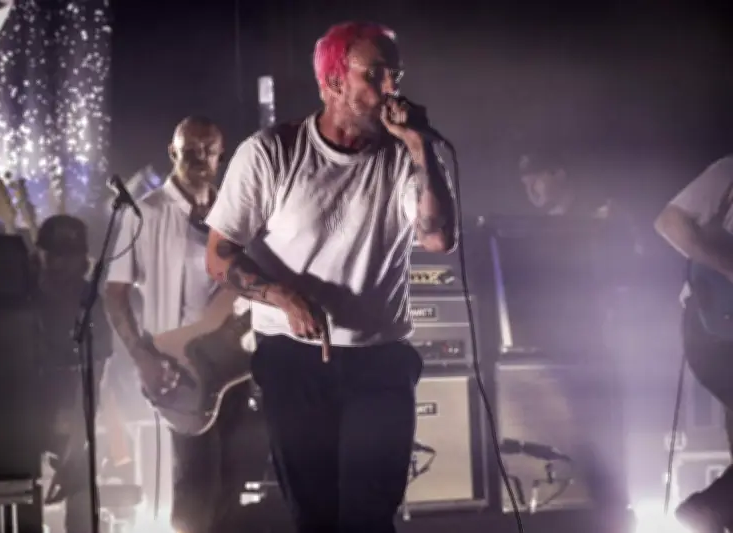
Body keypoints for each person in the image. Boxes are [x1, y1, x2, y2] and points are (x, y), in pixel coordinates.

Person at [204, 21, 457, 533]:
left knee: (371, 516)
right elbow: (219, 255)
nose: (392, 87)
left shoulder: (404, 157)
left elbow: (437, 239)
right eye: (376, 74)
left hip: (380, 360)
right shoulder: (272, 152)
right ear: (333, 82)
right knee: (316, 516)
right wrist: (279, 295)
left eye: (396, 74)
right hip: (295, 362)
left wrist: (420, 147)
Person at [104, 116, 260, 533]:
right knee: (195, 481)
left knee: (232, 481)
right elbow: (114, 293)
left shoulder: (234, 212)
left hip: (233, 364)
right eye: (189, 148)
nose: (199, 156)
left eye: (208, 149)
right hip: (180, 367)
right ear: (172, 152)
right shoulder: (145, 212)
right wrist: (143, 358)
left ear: (221, 156)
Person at [655, 155, 733, 533]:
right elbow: (670, 223)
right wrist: (728, 267)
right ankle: (709, 510)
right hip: (715, 331)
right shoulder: (727, 172)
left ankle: (713, 512)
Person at [34, 214, 114, 533]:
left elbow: (95, 372)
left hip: (72, 407)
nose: (59, 264)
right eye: (53, 255)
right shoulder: (25, 294)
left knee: (80, 479)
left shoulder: (89, 301)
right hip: (22, 408)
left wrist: (78, 433)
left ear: (83, 259)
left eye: (67, 256)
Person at [518, 149, 613, 217]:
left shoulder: (599, 210)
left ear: (559, 174)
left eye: (534, 182)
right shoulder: (551, 219)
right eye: (526, 185)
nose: (530, 191)